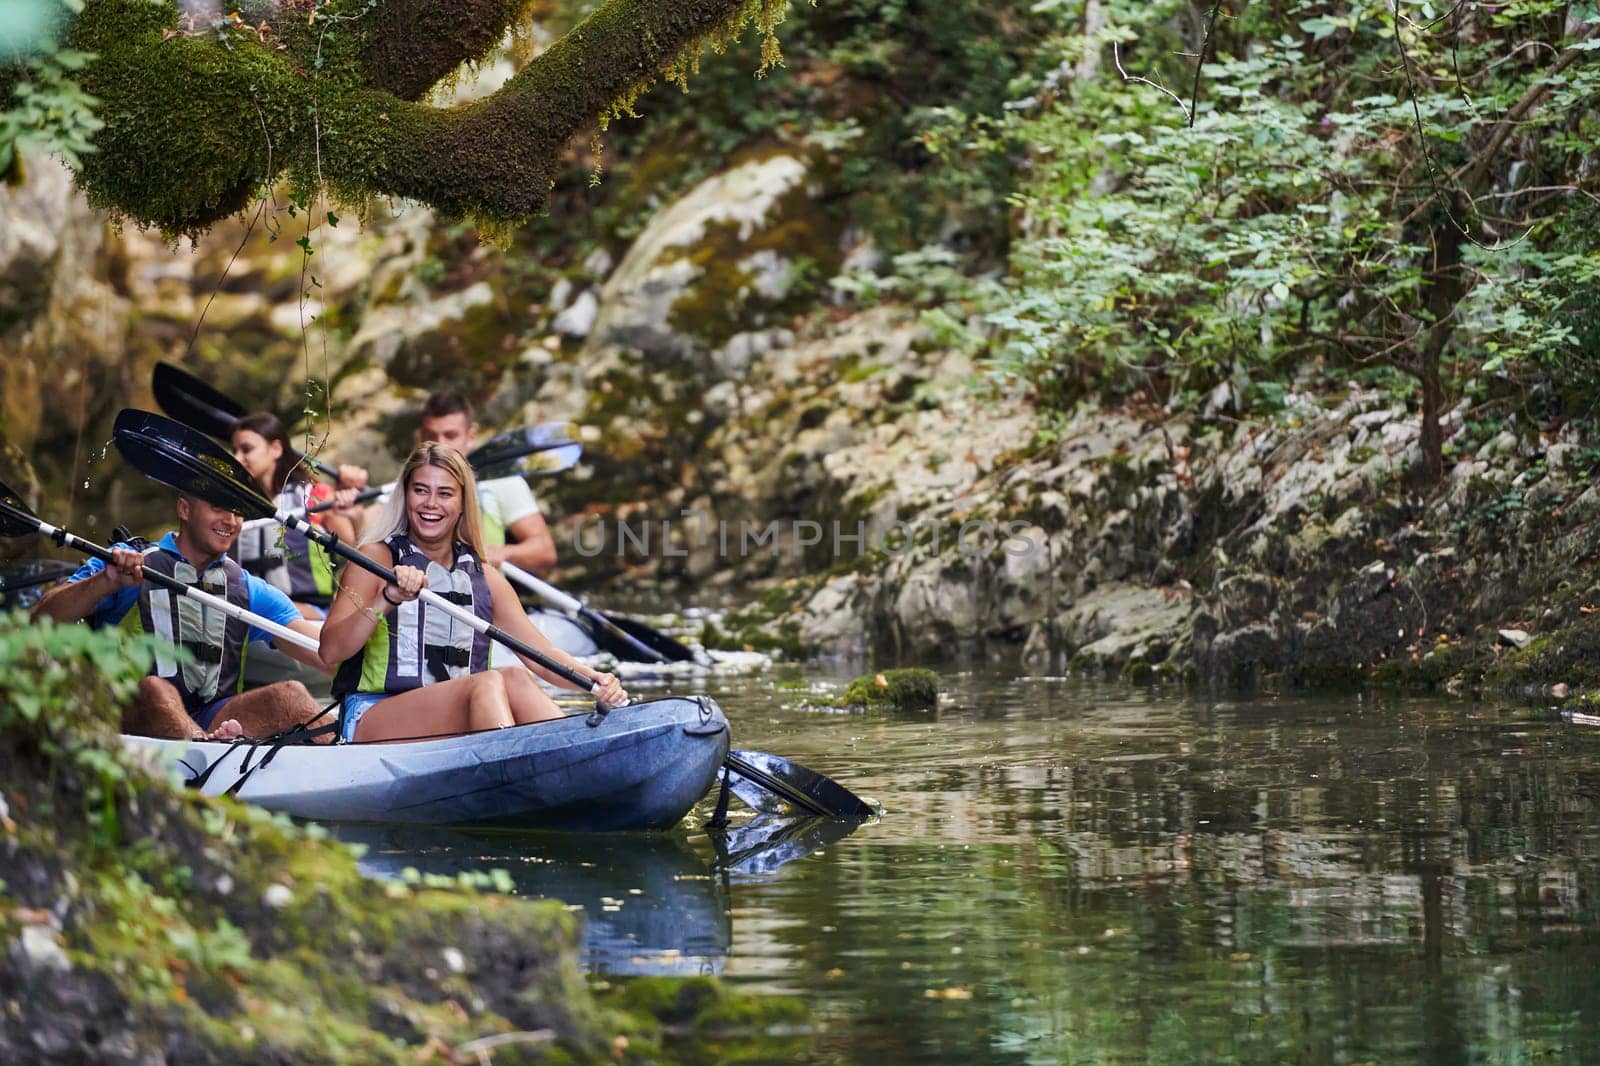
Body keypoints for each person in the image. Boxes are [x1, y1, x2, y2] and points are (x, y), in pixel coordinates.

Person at [319, 442, 625, 743]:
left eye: (445, 493)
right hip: (374, 716)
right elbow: (330, 651)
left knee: (514, 678)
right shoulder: (375, 560)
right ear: (406, 495)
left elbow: (541, 655)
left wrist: (593, 681)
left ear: (463, 503)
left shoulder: (485, 577)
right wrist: (387, 598)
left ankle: (574, 755)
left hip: (453, 719)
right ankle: (513, 767)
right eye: (421, 490)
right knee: (487, 682)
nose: (430, 504)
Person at [32, 494, 333, 742]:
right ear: (184, 508)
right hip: (127, 715)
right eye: (218, 506)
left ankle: (346, 757)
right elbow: (42, 620)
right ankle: (205, 756)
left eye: (237, 512)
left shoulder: (246, 587)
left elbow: (327, 652)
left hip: (213, 717)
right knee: (156, 689)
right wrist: (105, 582)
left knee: (290, 696)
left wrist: (372, 606)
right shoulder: (127, 561)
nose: (230, 521)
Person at [230, 411, 368, 619]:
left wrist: (355, 514)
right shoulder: (242, 509)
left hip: (312, 613)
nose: (237, 458)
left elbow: (356, 548)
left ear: (276, 449)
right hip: (259, 616)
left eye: (246, 449)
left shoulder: (313, 496)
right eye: (235, 451)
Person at [417, 391, 557, 573]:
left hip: (486, 595)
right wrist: (364, 511)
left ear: (471, 436)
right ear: (421, 437)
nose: (440, 446)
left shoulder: (501, 481)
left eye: (450, 436)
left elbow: (545, 551)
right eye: (431, 436)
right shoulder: (410, 483)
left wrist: (504, 552)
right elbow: (371, 525)